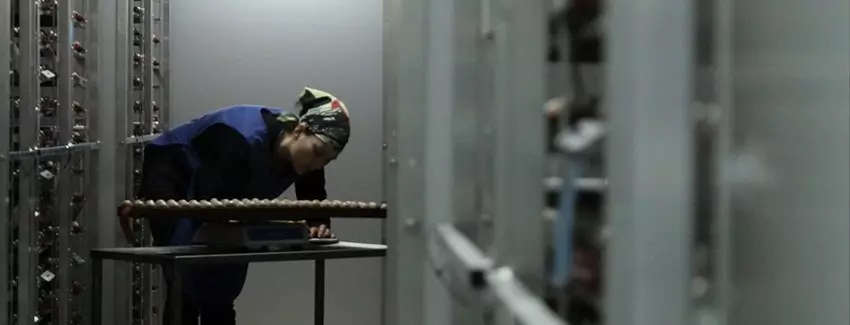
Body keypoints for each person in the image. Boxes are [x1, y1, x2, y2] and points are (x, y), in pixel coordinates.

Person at [117, 87, 351, 325]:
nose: (318, 163)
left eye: (327, 160)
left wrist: (318, 224)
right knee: (185, 281)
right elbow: (210, 206)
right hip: (174, 173)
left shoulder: (308, 155)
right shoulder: (236, 138)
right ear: (299, 130)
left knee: (224, 287)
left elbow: (314, 201)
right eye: (318, 153)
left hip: (225, 192)